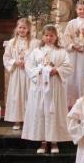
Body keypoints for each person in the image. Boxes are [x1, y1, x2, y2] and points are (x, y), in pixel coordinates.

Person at [22, 25, 73, 154]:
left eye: (51, 35)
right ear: (42, 37)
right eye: (46, 35)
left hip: (55, 87)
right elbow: (29, 67)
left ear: (56, 37)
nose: (49, 38)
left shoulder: (62, 51)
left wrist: (57, 70)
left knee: (54, 112)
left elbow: (68, 66)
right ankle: (43, 142)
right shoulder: (36, 51)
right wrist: (41, 70)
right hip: (40, 88)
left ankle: (54, 141)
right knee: (41, 113)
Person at [3, 18, 39, 130]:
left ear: (28, 29)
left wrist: (28, 63)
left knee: (29, 94)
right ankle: (17, 120)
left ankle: (29, 119)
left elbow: (38, 57)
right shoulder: (11, 43)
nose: (22, 30)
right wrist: (15, 62)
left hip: (29, 74)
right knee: (16, 96)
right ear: (16, 28)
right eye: (20, 27)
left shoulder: (35, 43)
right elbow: (6, 57)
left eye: (24, 28)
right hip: (17, 73)